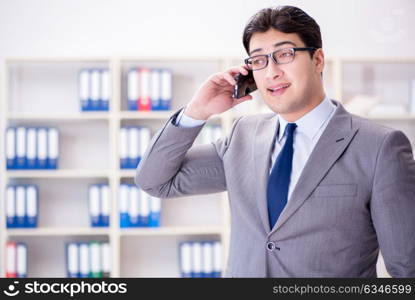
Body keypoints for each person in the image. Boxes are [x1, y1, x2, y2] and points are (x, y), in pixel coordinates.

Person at [135, 5, 415, 277]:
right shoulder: (242, 136)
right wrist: (196, 111)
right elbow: (155, 181)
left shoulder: (380, 148)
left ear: (317, 60)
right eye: (259, 60)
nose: (271, 72)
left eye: (284, 54)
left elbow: (407, 269)